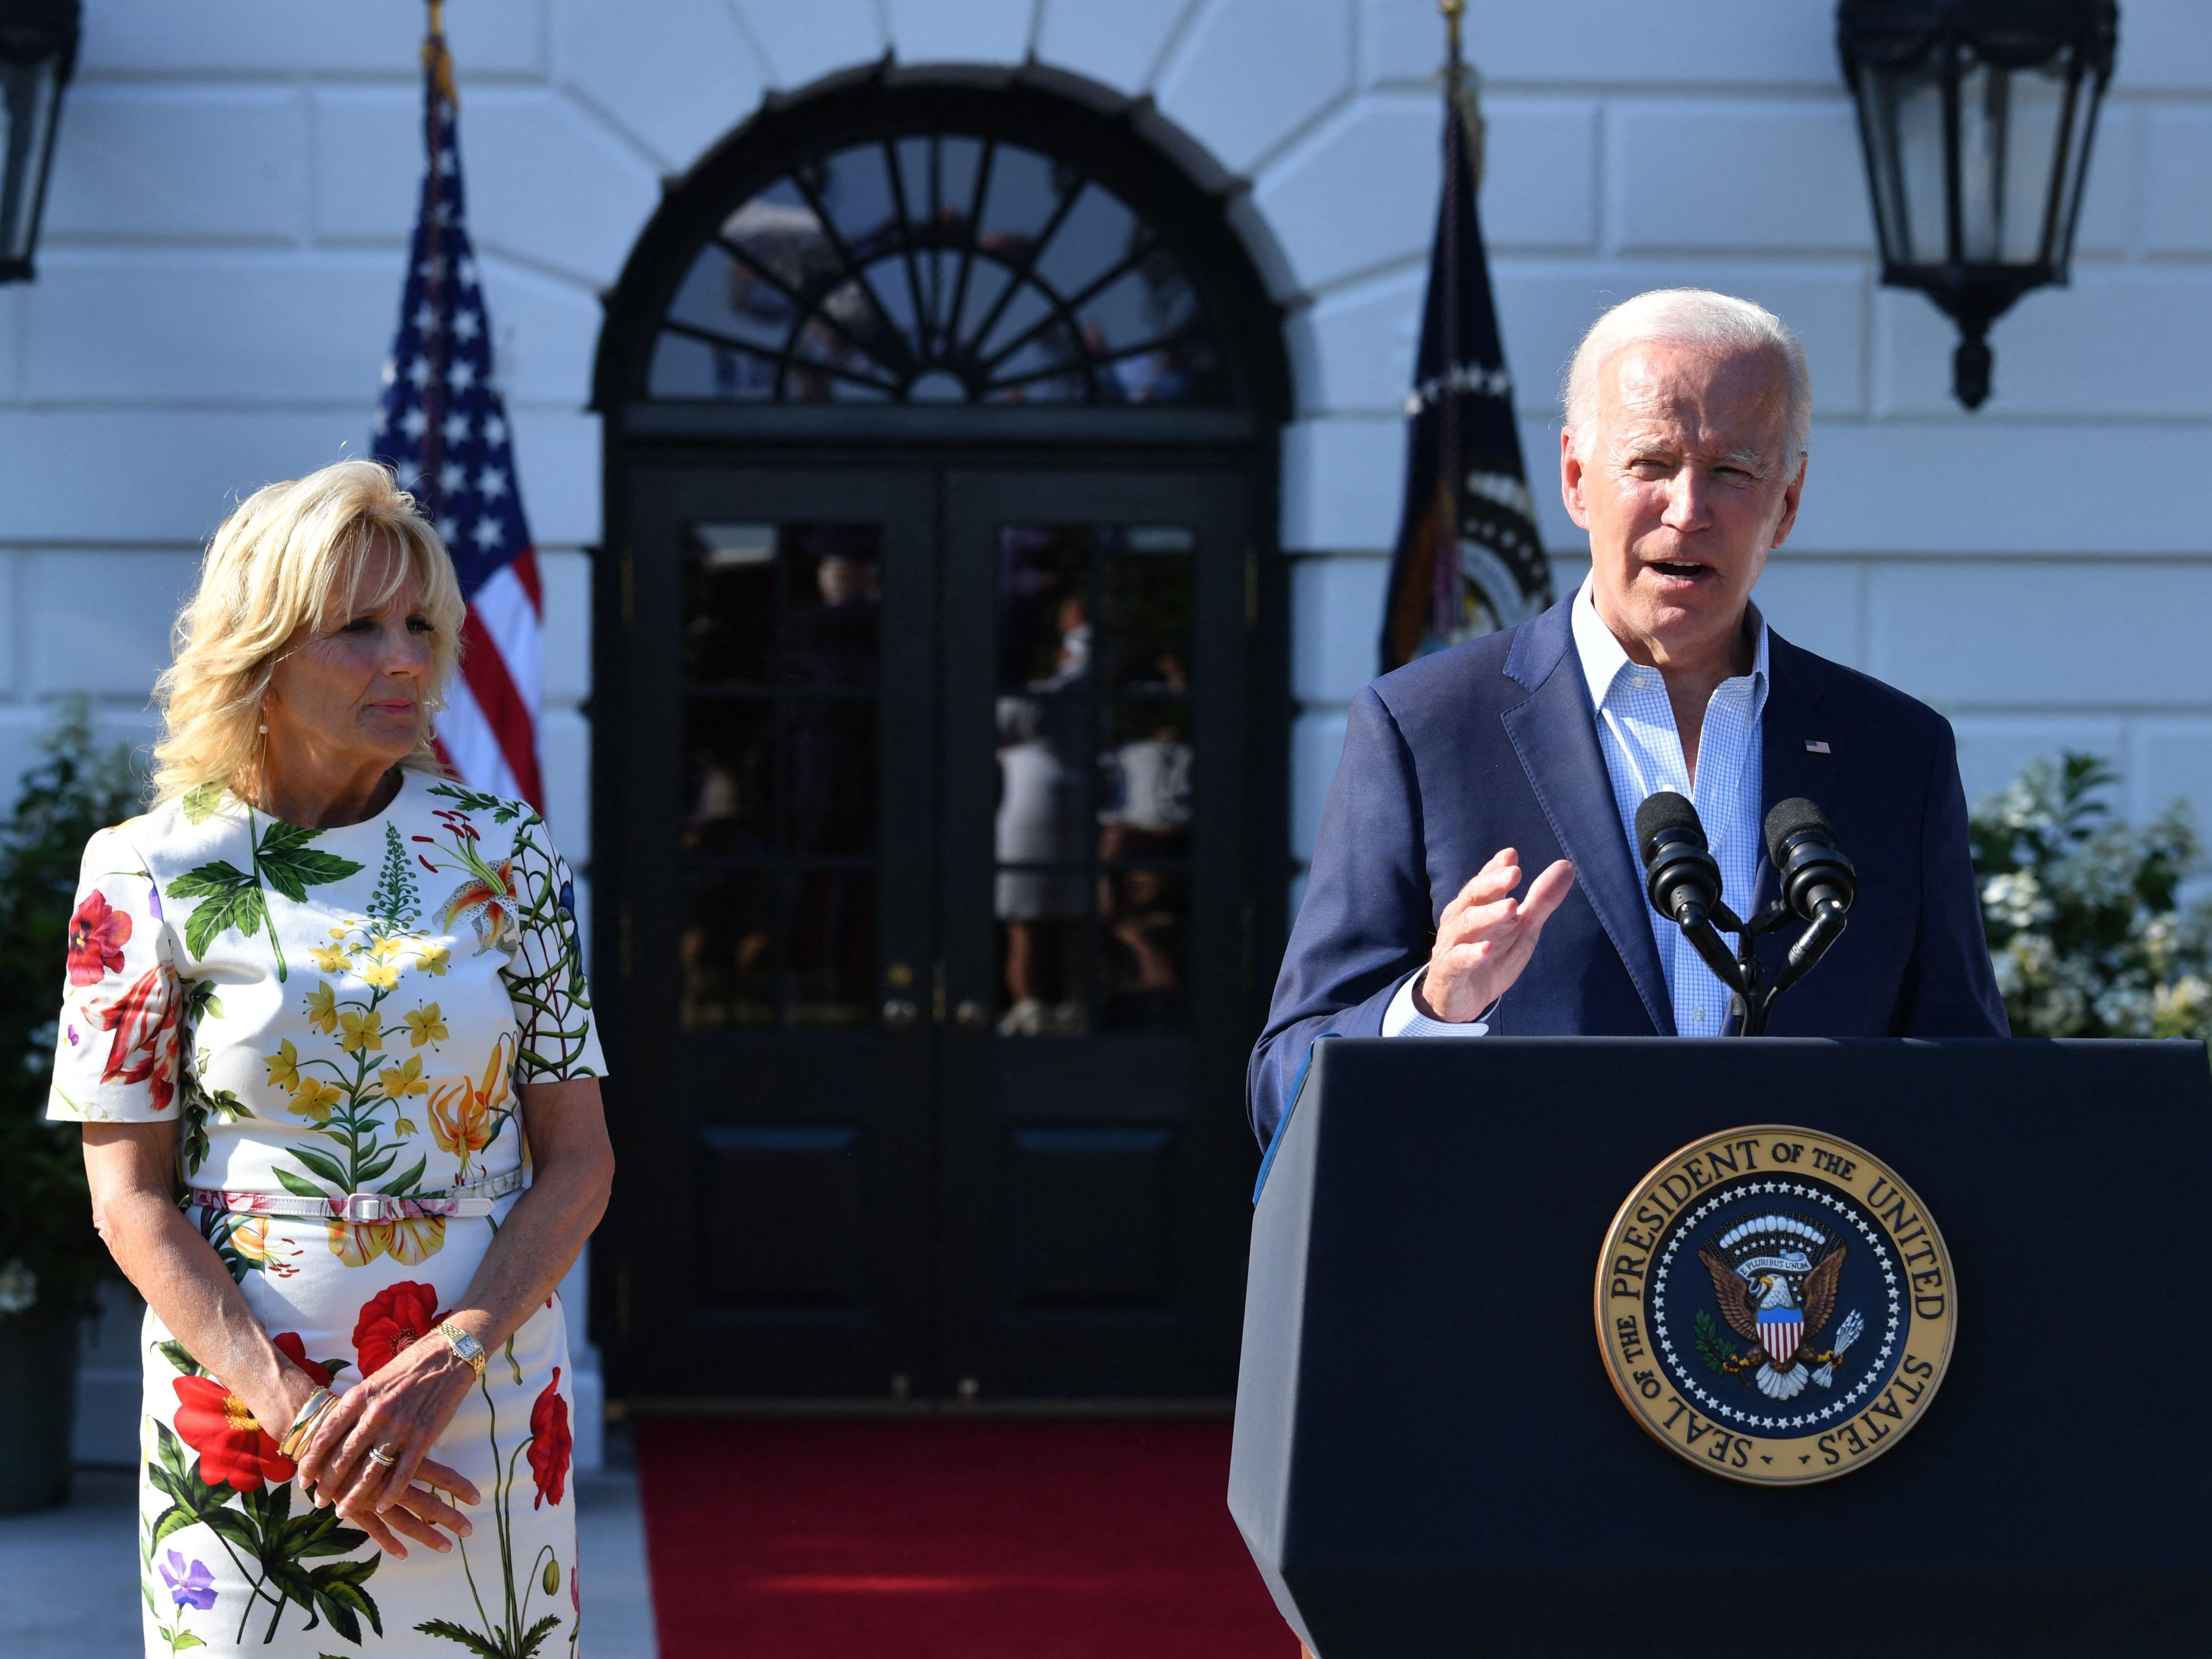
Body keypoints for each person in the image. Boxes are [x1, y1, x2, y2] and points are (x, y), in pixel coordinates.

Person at [54, 459, 612, 1656]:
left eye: (422, 624)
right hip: (246, 1420)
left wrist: (452, 1356)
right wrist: (299, 1411)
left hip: (485, 1410)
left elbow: (579, 1163)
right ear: (261, 652)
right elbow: (128, 1194)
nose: (406, 657)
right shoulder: (143, 870)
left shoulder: (504, 851)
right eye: (356, 627)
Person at [1250, 288, 2006, 1150]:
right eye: (1650, 464)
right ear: (1577, 479)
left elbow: (1970, 1074)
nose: (1688, 509)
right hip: (1521, 1272)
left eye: (1733, 472)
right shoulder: (1426, 727)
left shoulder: (1894, 753)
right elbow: (1283, 1082)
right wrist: (1432, 1009)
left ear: (1787, 503)